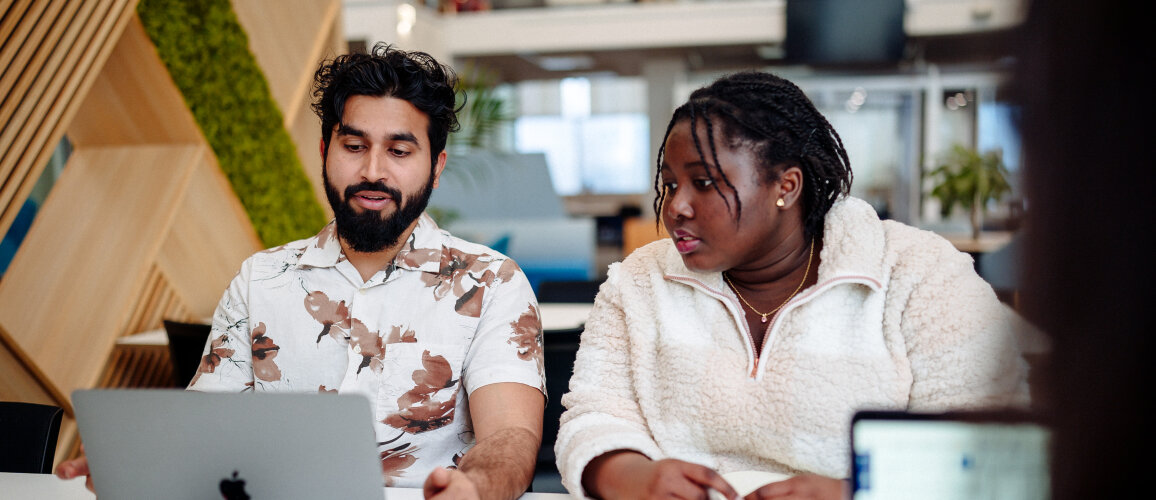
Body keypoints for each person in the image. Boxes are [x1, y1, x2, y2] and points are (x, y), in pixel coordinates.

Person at [56, 43, 546, 500]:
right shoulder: (261, 278)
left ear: (436, 166)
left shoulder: (492, 281)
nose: (373, 171)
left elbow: (511, 436)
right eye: (354, 146)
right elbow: (204, 423)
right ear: (324, 151)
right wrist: (141, 463)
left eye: (399, 151)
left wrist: (477, 487)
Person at [554, 71, 1030, 500]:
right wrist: (633, 477)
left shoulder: (919, 272)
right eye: (670, 183)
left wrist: (857, 493)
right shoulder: (640, 280)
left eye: (703, 183)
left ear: (786, 186)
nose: (675, 206)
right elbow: (593, 417)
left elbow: (988, 444)